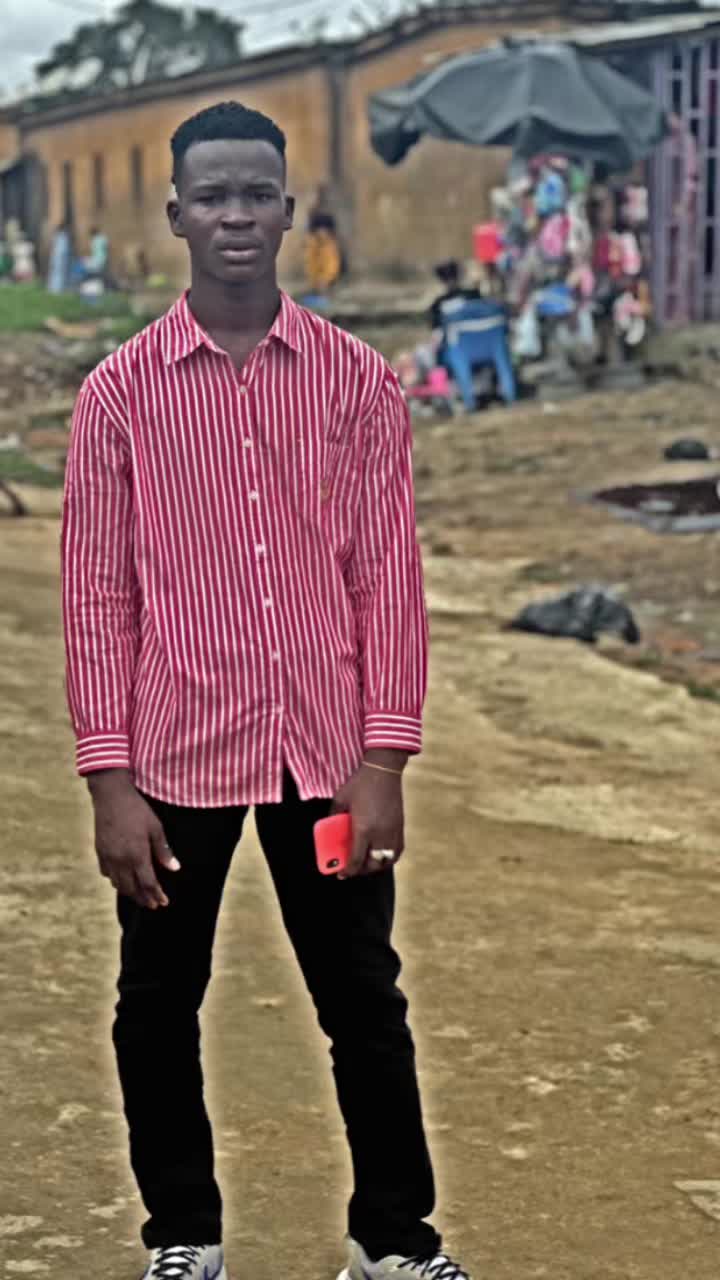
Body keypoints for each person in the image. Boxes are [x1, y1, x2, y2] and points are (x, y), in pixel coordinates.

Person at [60, 100, 470, 1280]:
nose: (235, 215)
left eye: (256, 195)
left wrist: (383, 759)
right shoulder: (120, 395)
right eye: (213, 196)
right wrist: (110, 779)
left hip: (327, 755)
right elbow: (98, 595)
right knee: (156, 1001)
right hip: (173, 755)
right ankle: (184, 1236)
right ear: (176, 214)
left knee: (364, 999)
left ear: (289, 211)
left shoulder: (357, 383)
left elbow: (386, 573)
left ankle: (393, 1241)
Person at [303, 184, 342, 293]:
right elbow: (309, 226)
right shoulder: (312, 209)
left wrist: (326, 234)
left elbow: (333, 227)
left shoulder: (331, 209)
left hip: (328, 240)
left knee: (329, 262)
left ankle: (325, 284)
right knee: (314, 262)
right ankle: (318, 285)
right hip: (315, 239)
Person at [47, 221, 71, 293]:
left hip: (58, 257)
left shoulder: (60, 236)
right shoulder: (62, 237)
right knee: (58, 272)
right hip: (59, 258)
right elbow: (63, 250)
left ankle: (56, 288)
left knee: (58, 272)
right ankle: (56, 288)